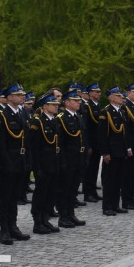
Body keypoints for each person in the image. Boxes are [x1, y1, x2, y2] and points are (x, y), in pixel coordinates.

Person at [0, 84, 31, 244]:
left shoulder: (23, 113)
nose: (22, 96)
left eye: (22, 94)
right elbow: (0, 143)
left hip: (21, 161)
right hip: (8, 161)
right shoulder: (1, 115)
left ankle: (13, 225)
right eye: (17, 94)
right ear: (9, 98)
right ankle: (4, 228)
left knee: (15, 195)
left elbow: (27, 138)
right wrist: (4, 163)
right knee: (6, 196)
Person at [28, 89, 62, 233]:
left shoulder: (54, 120)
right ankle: (38, 221)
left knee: (51, 192)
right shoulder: (38, 122)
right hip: (43, 163)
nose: (56, 106)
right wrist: (36, 167)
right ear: (45, 106)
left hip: (54, 162)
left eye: (56, 104)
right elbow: (34, 147)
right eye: (52, 104)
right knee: (41, 193)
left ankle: (46, 219)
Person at [56, 89, 87, 227]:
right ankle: (63, 216)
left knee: (73, 188)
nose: (78, 103)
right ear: (67, 102)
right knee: (65, 188)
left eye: (78, 101)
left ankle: (71, 213)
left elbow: (83, 138)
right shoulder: (61, 118)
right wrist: (62, 160)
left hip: (78, 157)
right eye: (75, 101)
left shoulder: (78, 116)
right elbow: (60, 142)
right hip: (68, 158)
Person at [98, 87, 129, 215]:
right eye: (117, 96)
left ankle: (116, 204)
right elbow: (102, 135)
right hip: (111, 151)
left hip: (121, 151)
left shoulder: (121, 111)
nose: (121, 98)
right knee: (109, 180)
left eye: (121, 96)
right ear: (111, 98)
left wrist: (127, 148)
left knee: (118, 180)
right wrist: (105, 153)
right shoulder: (105, 112)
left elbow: (124, 133)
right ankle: (107, 206)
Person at [80, 83, 103, 203]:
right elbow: (86, 127)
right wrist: (87, 144)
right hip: (91, 142)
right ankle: (87, 193)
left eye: (99, 92)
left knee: (94, 168)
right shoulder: (87, 106)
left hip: (97, 141)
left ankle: (93, 190)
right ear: (90, 93)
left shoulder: (97, 105)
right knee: (89, 169)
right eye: (96, 92)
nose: (98, 94)